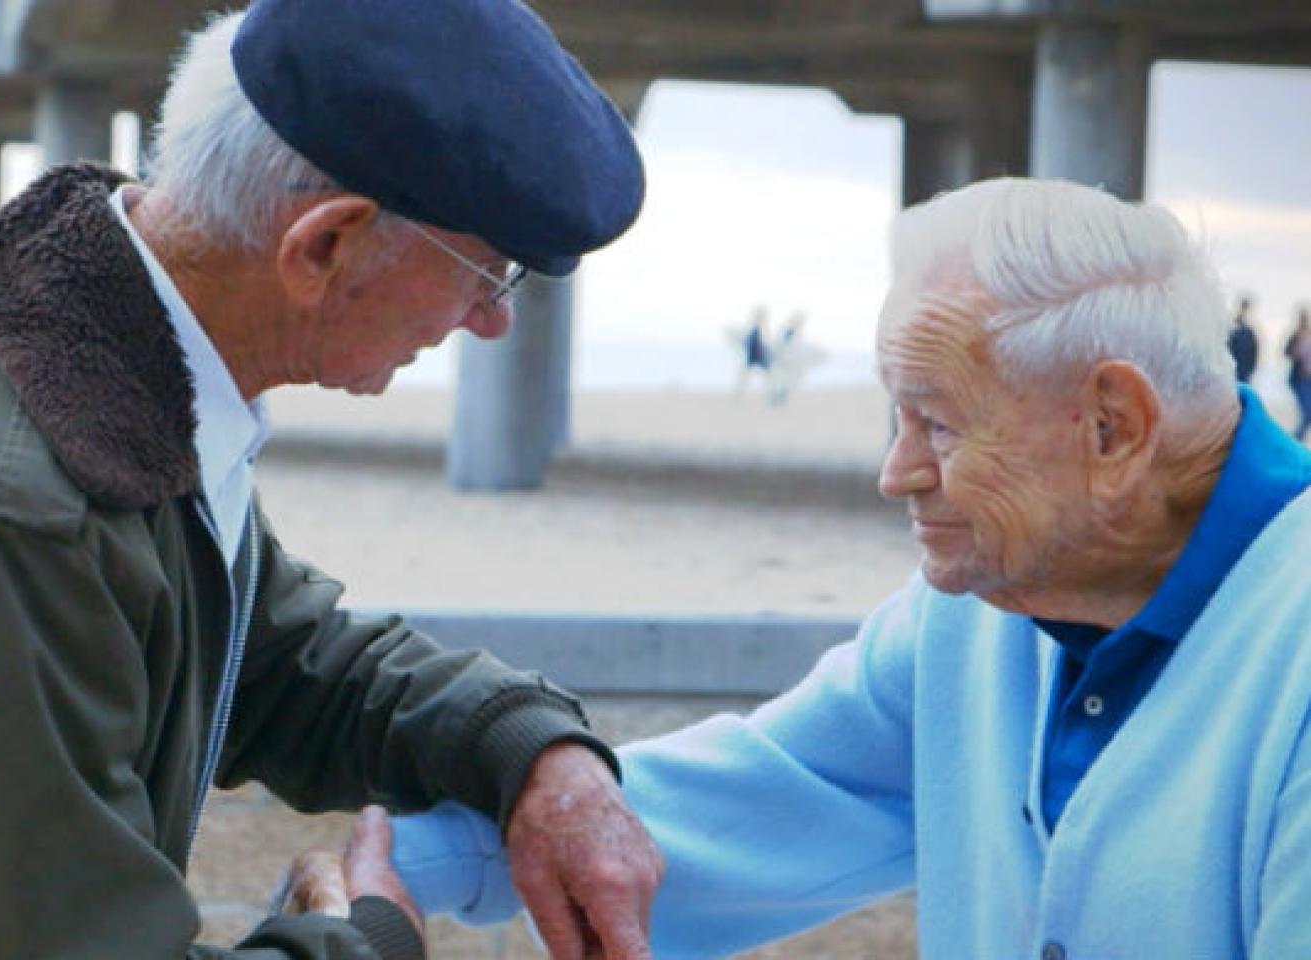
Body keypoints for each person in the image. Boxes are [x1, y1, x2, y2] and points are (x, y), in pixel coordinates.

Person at [0, 2, 663, 958]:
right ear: (323, 243)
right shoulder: (15, 512)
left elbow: (277, 659)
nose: (491, 321)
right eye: (488, 273)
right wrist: (369, 936)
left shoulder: (97, 358)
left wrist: (529, 750)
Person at [304, 178, 1311, 959]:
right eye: (892, 416)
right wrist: (411, 861)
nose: (893, 473)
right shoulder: (974, 611)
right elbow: (760, 796)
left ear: (1111, 425)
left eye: (938, 423)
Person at [1285, 304, 1311, 441]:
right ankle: (1296, 440)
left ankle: (1297, 440)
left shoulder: (1309, 334)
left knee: (1308, 413)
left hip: (1308, 378)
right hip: (1300, 379)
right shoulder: (1295, 336)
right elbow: (1286, 352)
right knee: (1307, 413)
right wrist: (1296, 353)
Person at [1229, 294, 1260, 382]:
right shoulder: (1236, 328)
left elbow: (1254, 351)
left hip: (1243, 370)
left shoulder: (1249, 331)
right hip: (1236, 369)